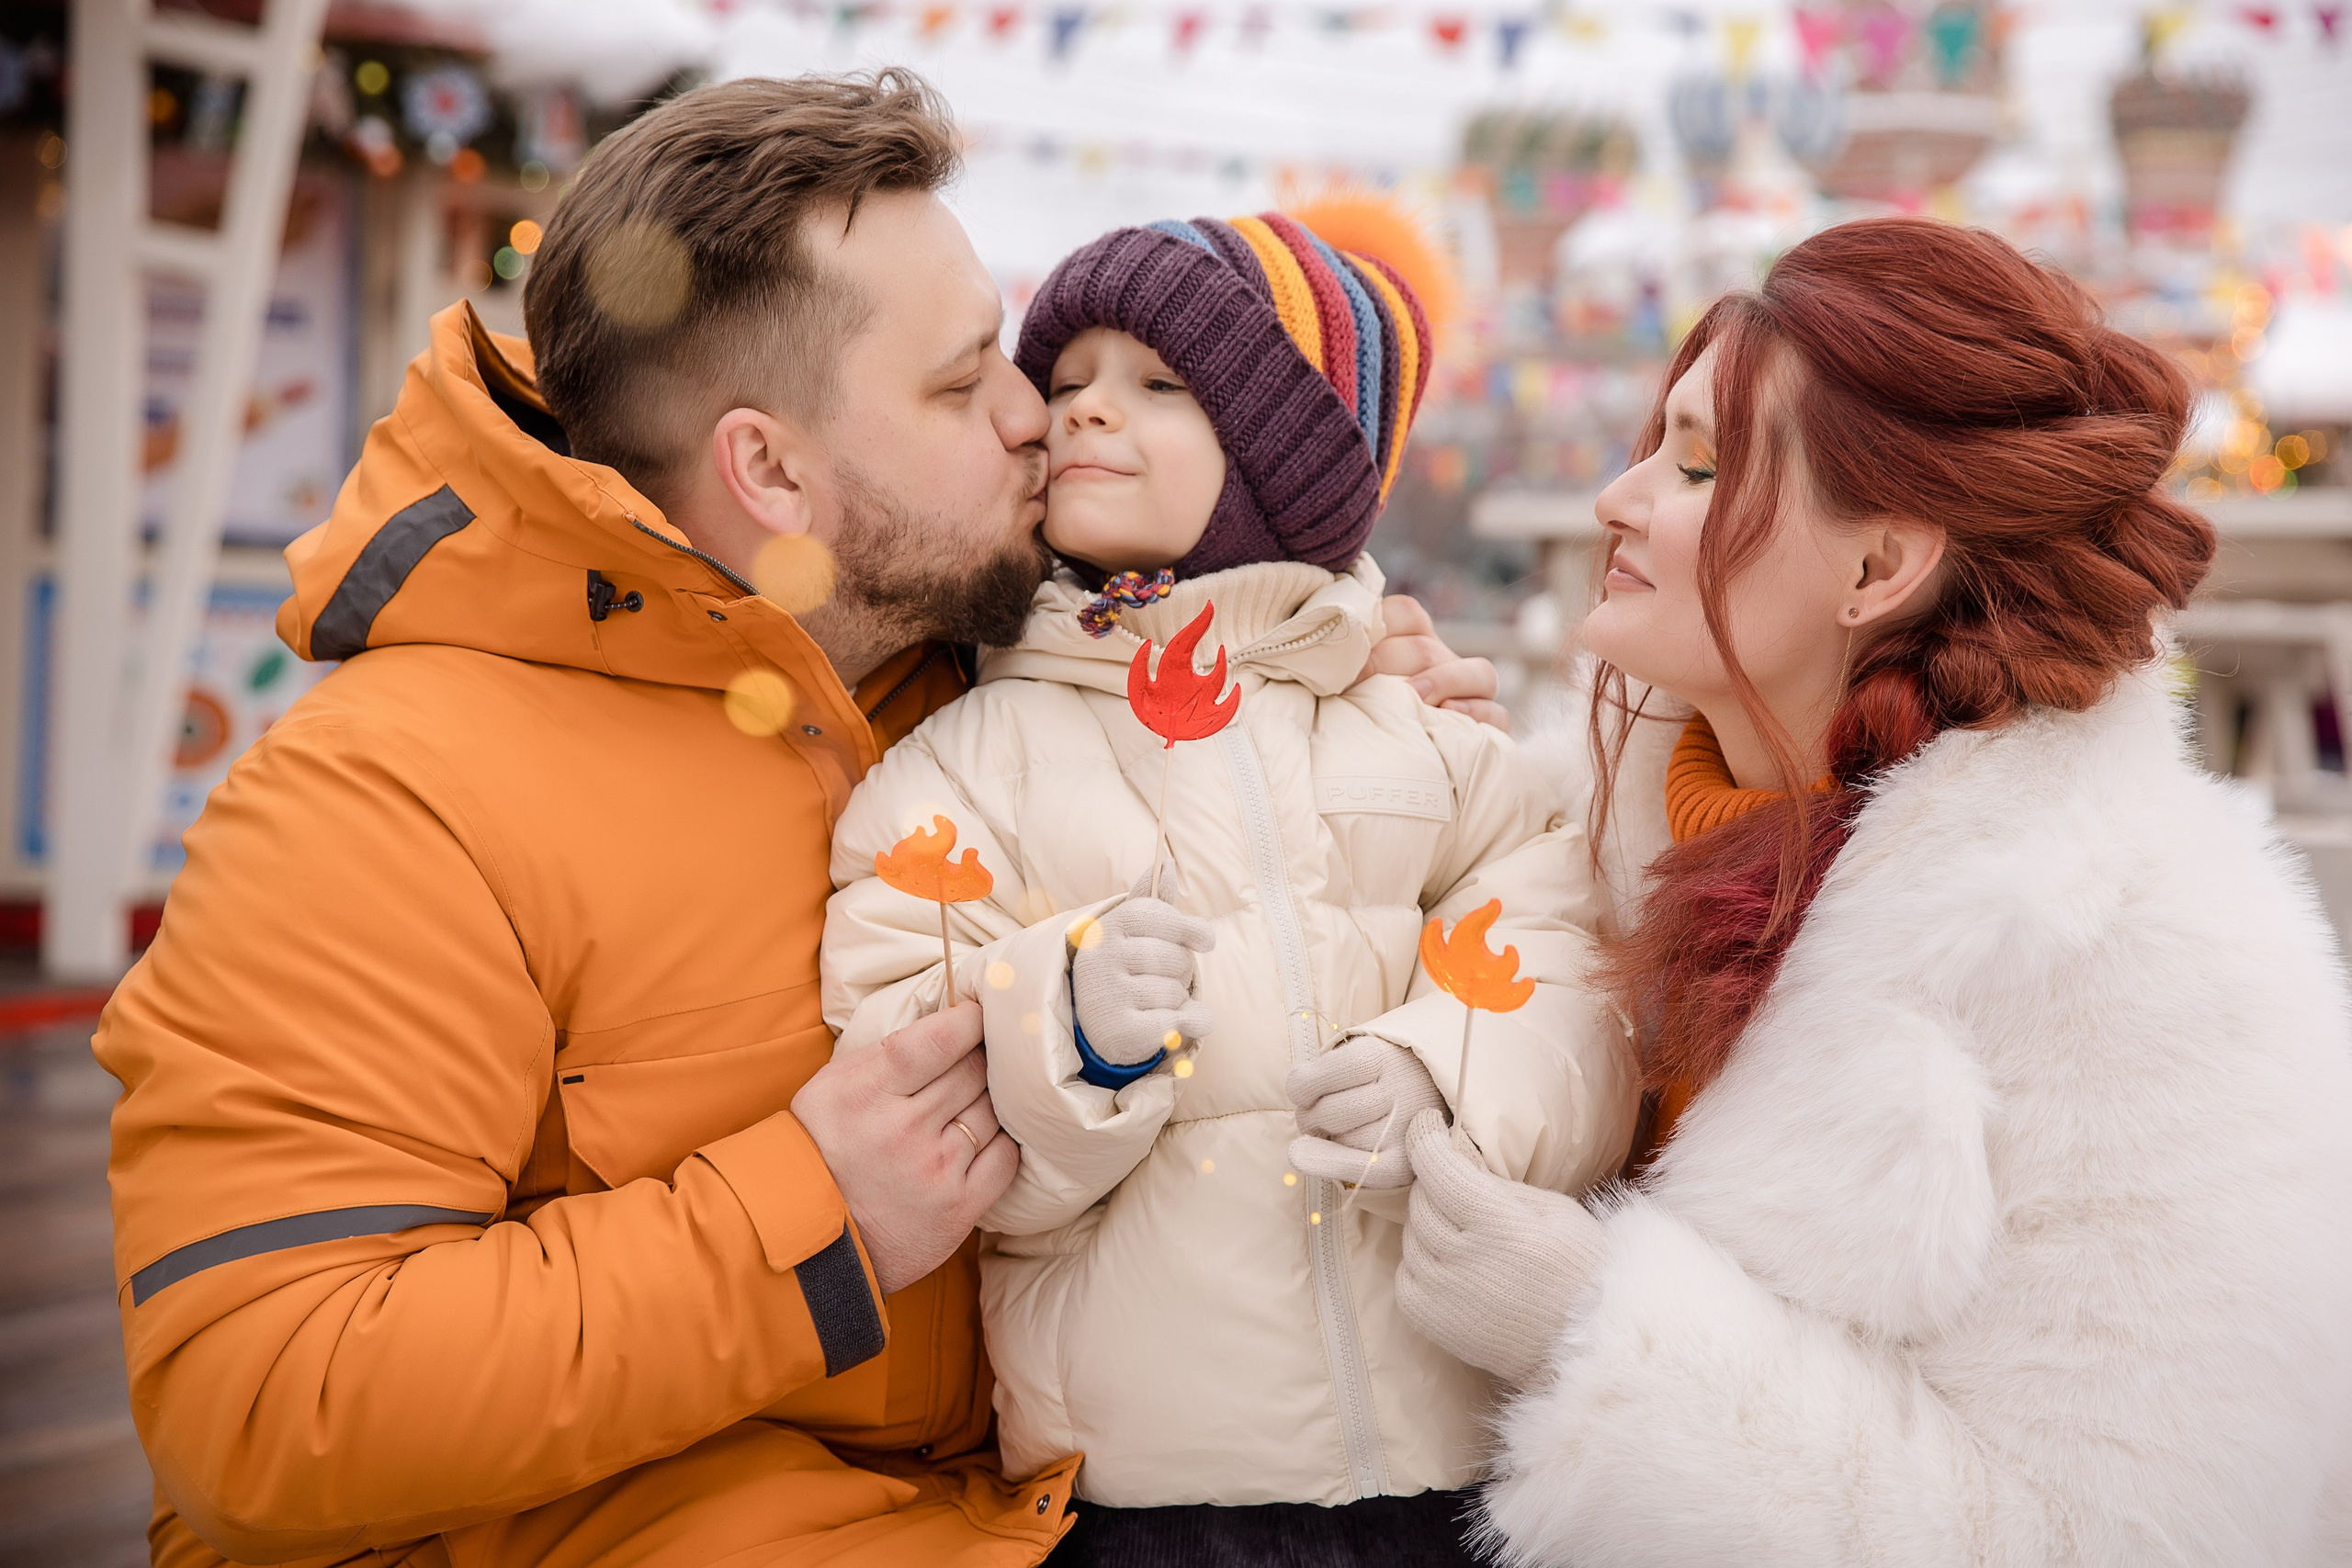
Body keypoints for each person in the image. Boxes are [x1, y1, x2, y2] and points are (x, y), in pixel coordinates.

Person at [92, 73, 1496, 1568]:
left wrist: (1332, 699)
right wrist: (807, 1225)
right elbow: (264, 1393)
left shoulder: (995, 679)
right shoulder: (385, 800)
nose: (1041, 415)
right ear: (769, 469)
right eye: (964, 388)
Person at [1391, 216, 2352, 1566]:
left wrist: (1594, 1334)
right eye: (1654, 445)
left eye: (1701, 462)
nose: (1620, 497)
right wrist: (1385, 748)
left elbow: (2115, 1537)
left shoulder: (2154, 970)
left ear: (1878, 568)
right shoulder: (1586, 835)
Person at [820, 207, 1637, 1566]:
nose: (1084, 413)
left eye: (1157, 386)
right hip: (1150, 1494)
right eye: (1065, 381)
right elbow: (902, 1045)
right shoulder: (964, 769)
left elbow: (1572, 949)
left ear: (1280, 465)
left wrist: (1452, 1071)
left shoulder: (1406, 732)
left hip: (1456, 1458)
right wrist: (1061, 1030)